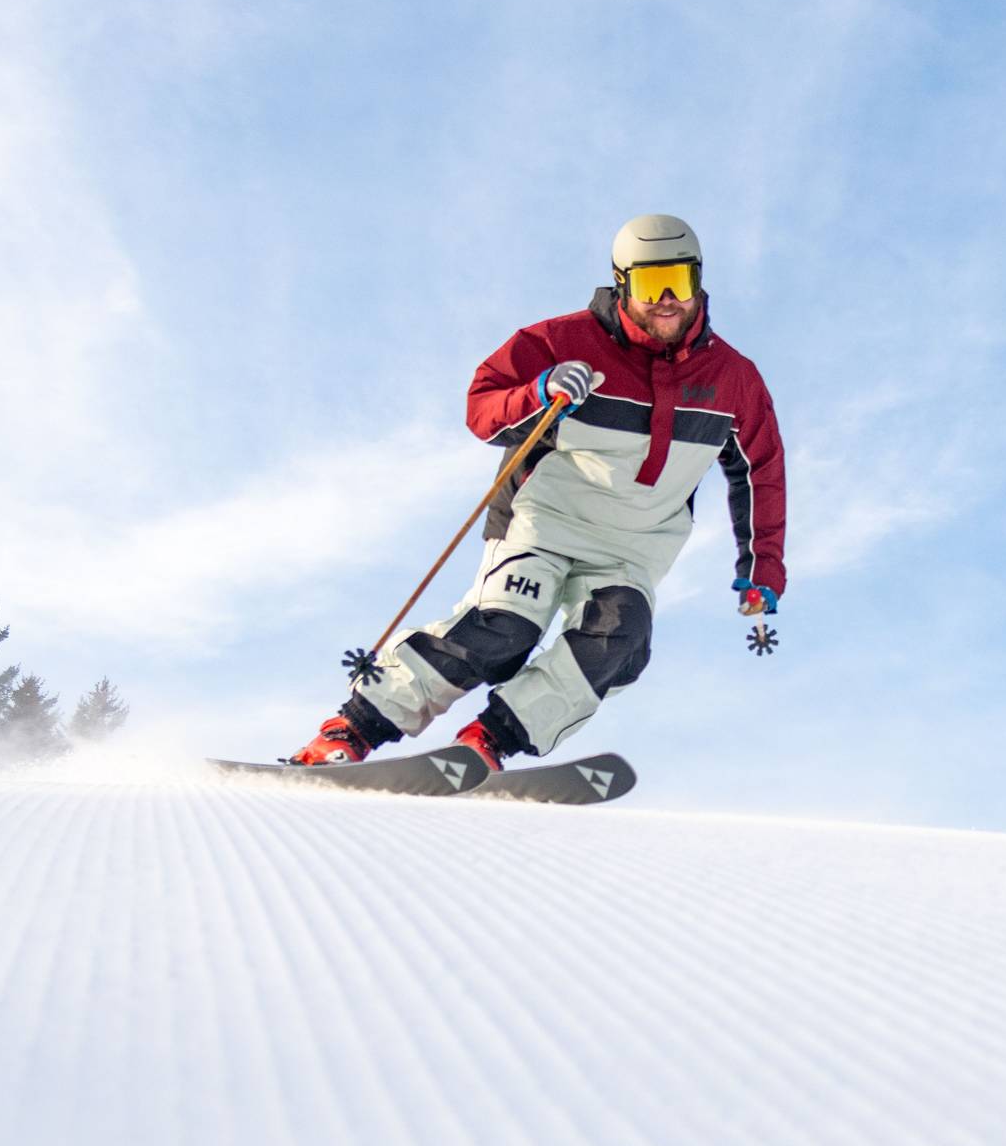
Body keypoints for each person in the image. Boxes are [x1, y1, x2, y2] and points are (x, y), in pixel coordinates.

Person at [292, 213, 787, 772]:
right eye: (651, 284)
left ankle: (489, 741)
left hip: (632, 547)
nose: (667, 299)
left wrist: (763, 566)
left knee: (619, 640)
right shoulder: (561, 340)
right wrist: (537, 391)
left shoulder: (734, 379)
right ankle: (351, 729)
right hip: (543, 520)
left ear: (699, 278)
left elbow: (761, 470)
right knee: (504, 627)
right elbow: (481, 409)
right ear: (622, 282)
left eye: (680, 279)